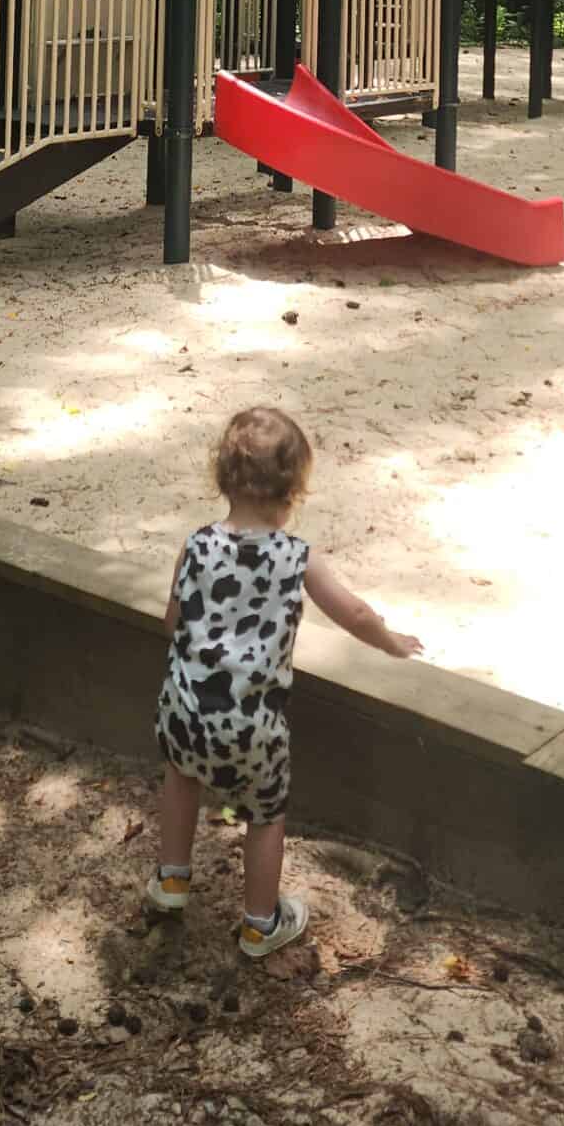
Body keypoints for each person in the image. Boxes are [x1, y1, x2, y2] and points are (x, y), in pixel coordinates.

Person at [147, 405, 423, 957]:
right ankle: (259, 923)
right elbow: (355, 614)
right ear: (294, 489)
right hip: (252, 726)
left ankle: (172, 882)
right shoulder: (297, 559)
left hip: (184, 710)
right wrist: (391, 641)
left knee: (181, 777)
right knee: (265, 814)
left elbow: (174, 622)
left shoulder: (196, 544)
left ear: (222, 477)